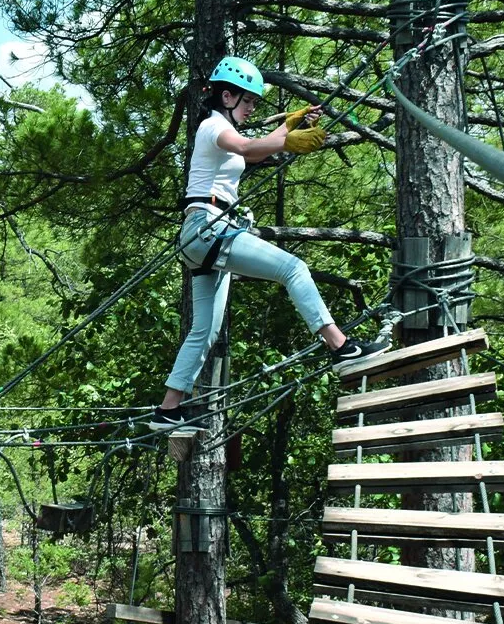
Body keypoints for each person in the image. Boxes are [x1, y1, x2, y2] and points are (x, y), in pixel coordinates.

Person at [149, 56, 391, 432]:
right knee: (293, 268)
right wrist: (288, 138)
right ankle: (342, 348)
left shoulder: (222, 128)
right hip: (208, 228)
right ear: (226, 96)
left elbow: (259, 146)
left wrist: (287, 127)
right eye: (247, 102)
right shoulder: (213, 127)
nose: (250, 110)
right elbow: (248, 149)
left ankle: (168, 410)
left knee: (205, 331)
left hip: (204, 234)